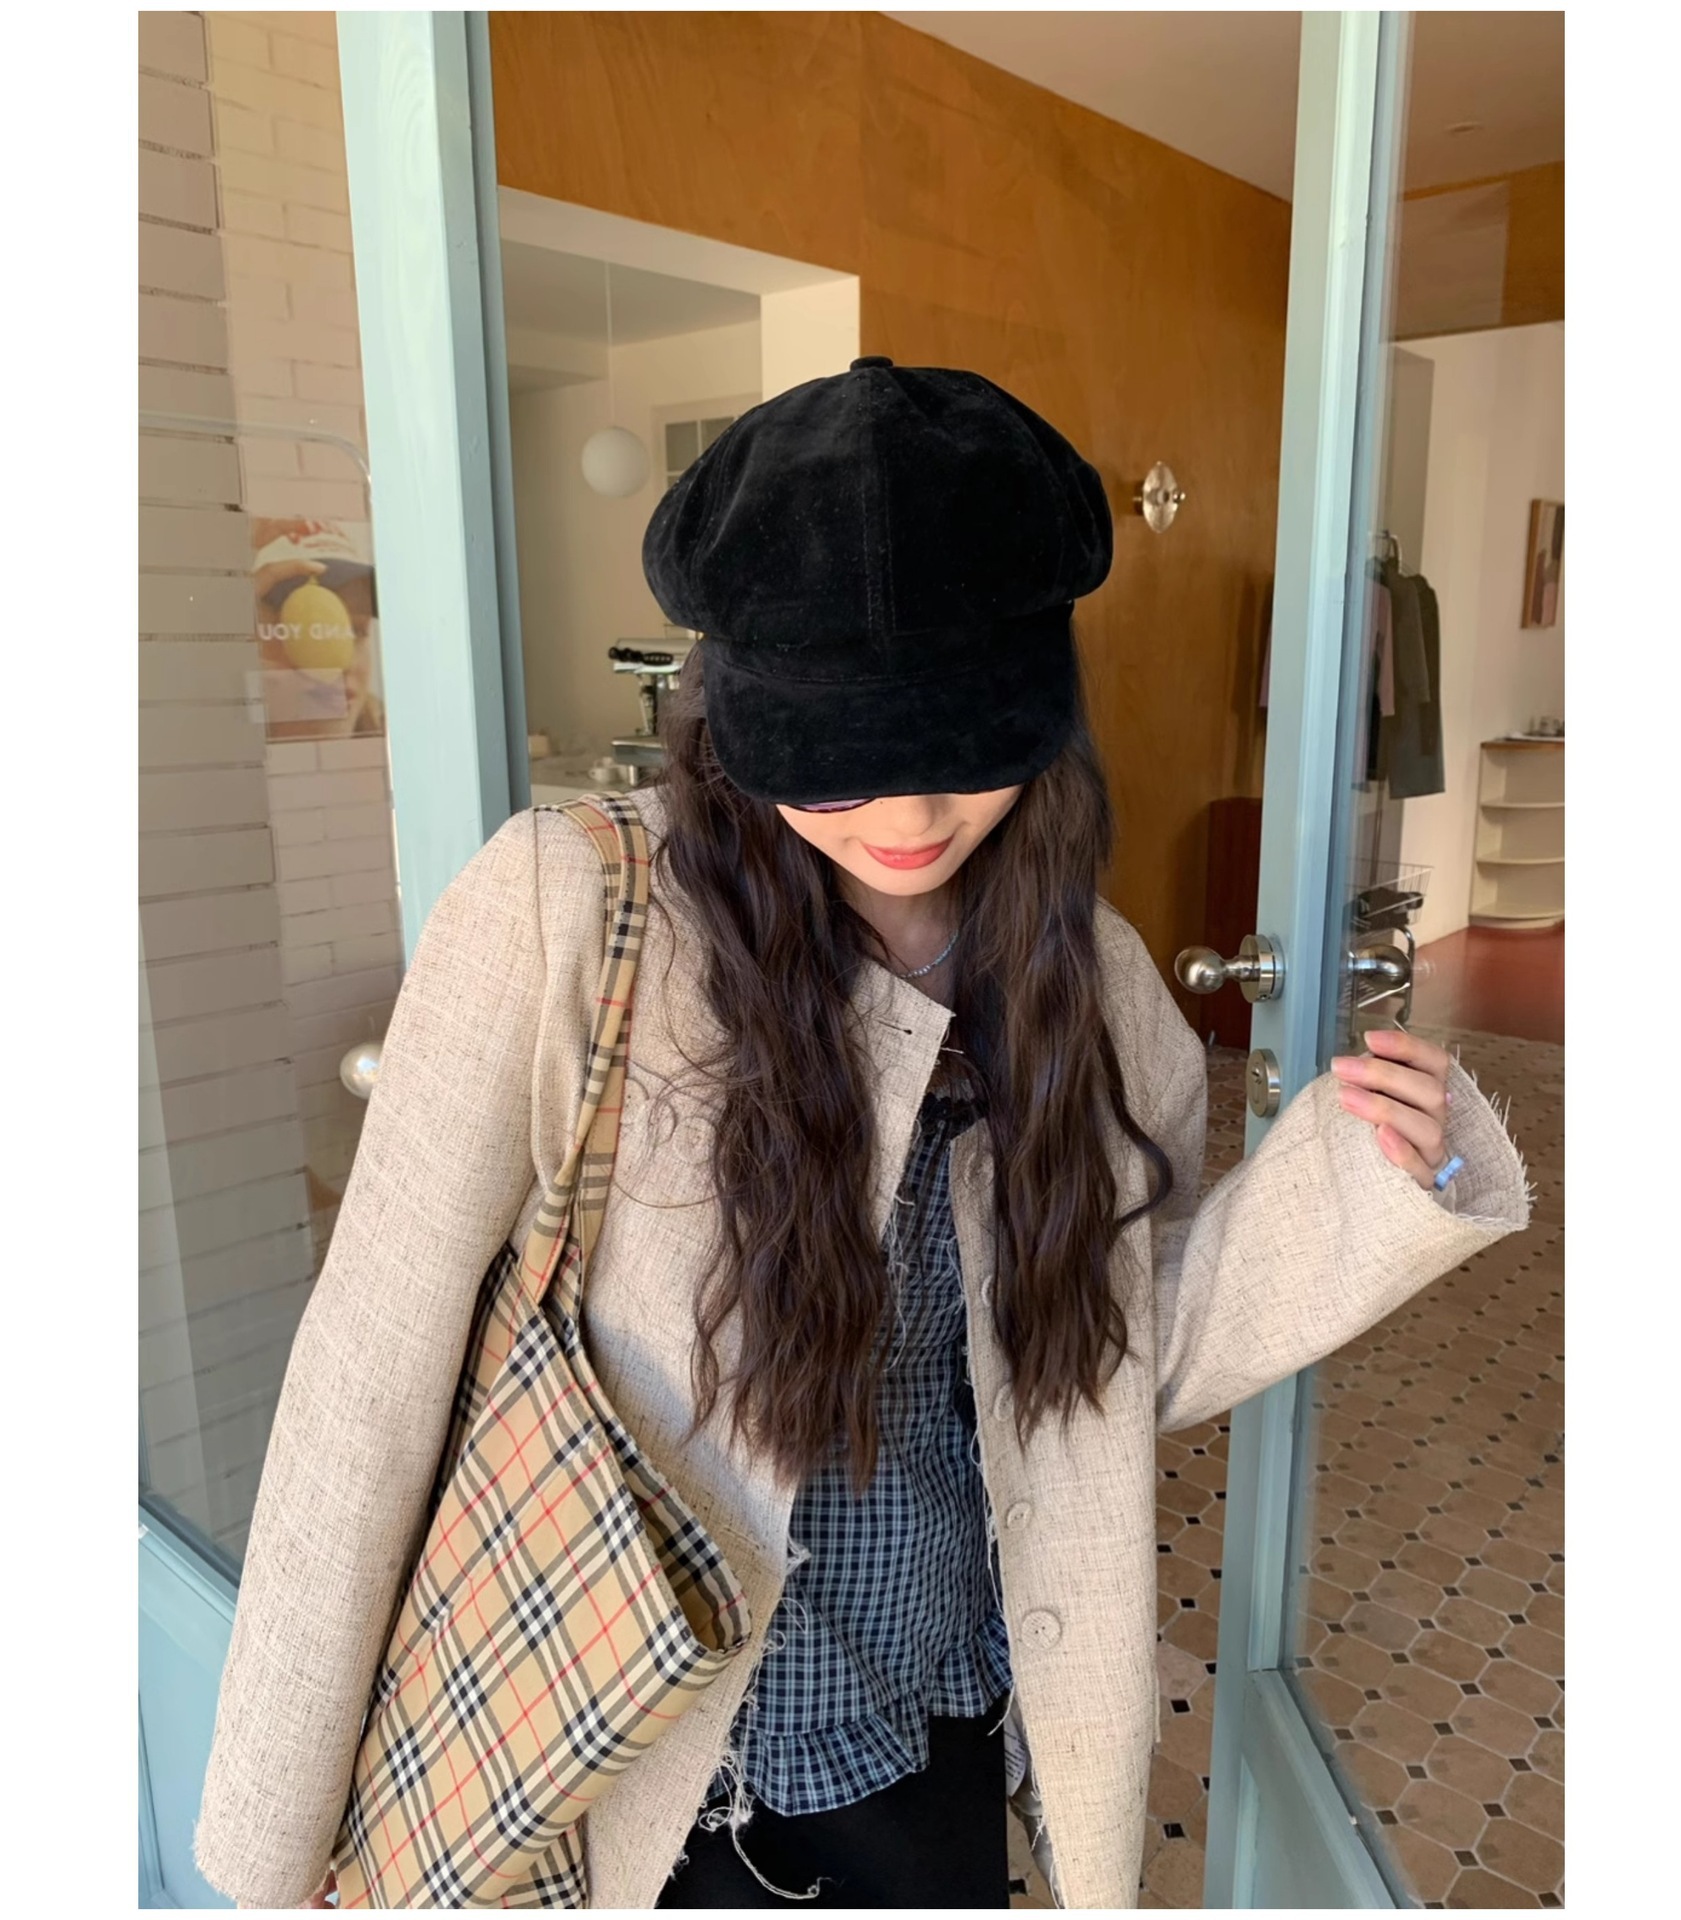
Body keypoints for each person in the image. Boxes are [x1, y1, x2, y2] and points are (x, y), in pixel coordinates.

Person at [194, 359, 1529, 1911]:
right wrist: (275, 1838)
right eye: (837, 758)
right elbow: (371, 1371)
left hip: (930, 1731)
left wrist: (1355, 1191)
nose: (906, 816)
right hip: (623, 1750)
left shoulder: (1082, 974)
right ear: (737, 709)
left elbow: (1111, 1357)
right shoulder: (570, 908)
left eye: (959, 745)